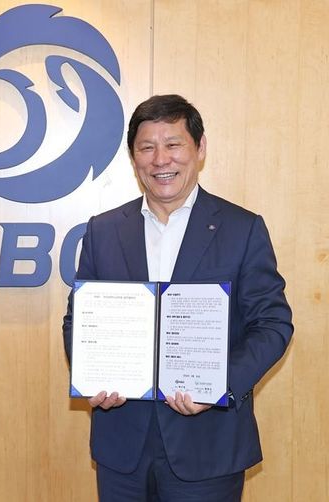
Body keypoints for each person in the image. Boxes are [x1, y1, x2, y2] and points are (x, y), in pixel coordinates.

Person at [62, 95, 293, 501]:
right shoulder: (103, 230)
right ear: (133, 157)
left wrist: (219, 385)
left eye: (173, 144)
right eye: (147, 148)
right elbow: (78, 320)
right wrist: (92, 376)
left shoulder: (242, 228)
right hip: (122, 446)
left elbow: (272, 325)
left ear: (199, 149)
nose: (160, 160)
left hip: (208, 446)